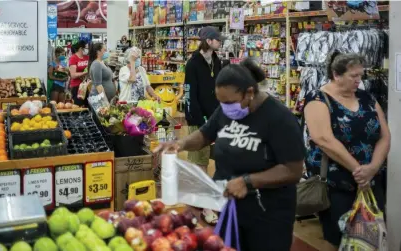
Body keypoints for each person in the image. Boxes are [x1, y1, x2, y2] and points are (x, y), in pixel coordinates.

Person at [155, 58, 305, 251]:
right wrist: (180, 143)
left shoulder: (279, 118)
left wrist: (248, 181)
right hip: (229, 207)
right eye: (221, 102)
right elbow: (205, 135)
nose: (225, 107)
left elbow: (293, 170)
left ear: (249, 93)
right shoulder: (227, 109)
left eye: (229, 102)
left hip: (267, 216)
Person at [303, 52, 391, 251]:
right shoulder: (318, 99)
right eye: (354, 76)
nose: (359, 80)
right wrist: (359, 171)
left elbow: (384, 135)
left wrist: (373, 168)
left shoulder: (366, 97)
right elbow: (324, 139)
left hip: (371, 180)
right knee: (336, 237)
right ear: (336, 74)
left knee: (371, 234)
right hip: (337, 184)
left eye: (361, 75)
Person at [184, 26, 224, 225]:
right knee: (200, 162)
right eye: (217, 39)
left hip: (217, 117)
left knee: (217, 159)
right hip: (199, 120)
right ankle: (206, 205)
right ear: (208, 41)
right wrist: (198, 120)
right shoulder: (192, 64)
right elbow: (189, 94)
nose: (220, 42)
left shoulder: (217, 60)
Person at [69, 40, 89, 106]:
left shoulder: (87, 57)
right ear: (81, 48)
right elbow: (73, 75)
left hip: (87, 86)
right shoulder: (73, 58)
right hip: (77, 87)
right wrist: (84, 73)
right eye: (86, 48)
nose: (87, 50)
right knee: (78, 106)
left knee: (87, 107)